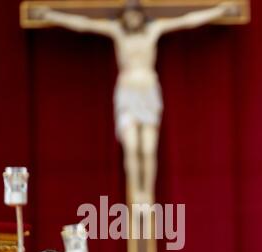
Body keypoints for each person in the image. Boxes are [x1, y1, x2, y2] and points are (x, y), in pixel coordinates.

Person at [29, 2, 237, 206]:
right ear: (124, 16)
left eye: (136, 14)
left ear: (141, 15)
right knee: (131, 146)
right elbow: (83, 24)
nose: (132, 19)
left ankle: (146, 191)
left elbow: (187, 21)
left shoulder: (153, 30)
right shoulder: (117, 32)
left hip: (147, 92)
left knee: (148, 148)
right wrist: (51, 16)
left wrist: (217, 11)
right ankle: (136, 193)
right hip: (128, 93)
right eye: (128, 15)